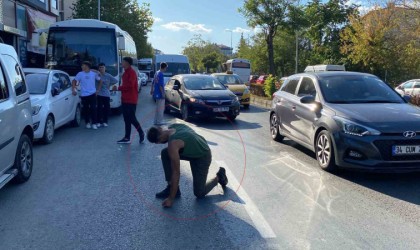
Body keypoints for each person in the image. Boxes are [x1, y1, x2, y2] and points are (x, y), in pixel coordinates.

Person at [147, 124, 228, 208]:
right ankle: (172, 188)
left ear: (158, 141)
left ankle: (219, 177)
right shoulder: (174, 126)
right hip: (197, 148)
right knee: (165, 153)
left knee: (199, 193)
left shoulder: (173, 144)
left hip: (202, 156)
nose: (159, 143)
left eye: (158, 141)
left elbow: (176, 173)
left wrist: (171, 199)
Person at [112, 57, 144, 144]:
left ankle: (141, 132)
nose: (121, 63)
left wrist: (118, 88)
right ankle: (127, 137)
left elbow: (130, 86)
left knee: (132, 118)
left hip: (131, 99)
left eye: (123, 62)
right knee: (126, 119)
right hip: (125, 99)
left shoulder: (132, 73)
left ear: (127, 63)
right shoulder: (125, 73)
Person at [72, 61, 101, 129]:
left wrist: (98, 90)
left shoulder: (93, 74)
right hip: (84, 94)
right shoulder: (80, 74)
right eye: (82, 65)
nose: (82, 67)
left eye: (83, 65)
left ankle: (94, 123)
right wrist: (73, 88)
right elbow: (74, 81)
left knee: (93, 109)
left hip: (92, 94)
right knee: (86, 109)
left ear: (87, 66)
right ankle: (87, 122)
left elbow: (100, 81)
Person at [96, 63, 118, 127]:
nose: (101, 68)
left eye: (102, 67)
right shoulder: (97, 75)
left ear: (105, 68)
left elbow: (115, 81)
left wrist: (109, 85)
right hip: (99, 94)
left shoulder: (108, 75)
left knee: (106, 108)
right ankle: (99, 121)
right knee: (99, 108)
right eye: (100, 67)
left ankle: (105, 121)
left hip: (106, 94)